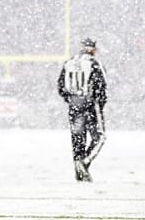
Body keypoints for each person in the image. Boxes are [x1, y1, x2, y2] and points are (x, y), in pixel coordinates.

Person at [57, 38, 108, 182]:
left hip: (74, 103)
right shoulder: (94, 64)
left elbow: (61, 86)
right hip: (90, 103)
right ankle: (84, 163)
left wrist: (71, 99)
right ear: (93, 49)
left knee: (78, 138)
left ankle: (79, 171)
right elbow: (101, 86)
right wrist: (98, 103)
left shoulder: (69, 63)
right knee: (99, 137)